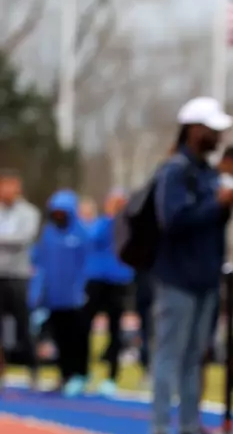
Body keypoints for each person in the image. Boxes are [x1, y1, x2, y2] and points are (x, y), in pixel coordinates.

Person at [150, 98, 233, 434]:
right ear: (195, 130)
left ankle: (189, 428)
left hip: (205, 275)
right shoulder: (175, 171)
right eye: (213, 130)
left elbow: (212, 223)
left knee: (195, 356)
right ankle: (161, 431)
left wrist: (224, 207)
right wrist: (215, 204)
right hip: (177, 276)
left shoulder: (208, 172)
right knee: (169, 354)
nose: (219, 136)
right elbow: (172, 219)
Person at [32, 189, 91, 394]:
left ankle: (80, 374)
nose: (58, 216)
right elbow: (40, 262)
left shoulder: (81, 234)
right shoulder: (48, 234)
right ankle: (64, 374)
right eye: (55, 213)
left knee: (78, 337)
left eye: (62, 213)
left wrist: (83, 288)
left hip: (76, 297)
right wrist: (38, 292)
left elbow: (87, 263)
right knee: (60, 337)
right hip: (55, 297)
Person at [81, 189, 134, 396]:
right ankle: (82, 372)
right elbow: (93, 238)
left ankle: (111, 376)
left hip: (118, 281)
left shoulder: (128, 225)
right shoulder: (100, 224)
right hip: (95, 280)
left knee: (115, 329)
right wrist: (110, 216)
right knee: (84, 326)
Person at [0, 169, 41, 387]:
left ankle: (32, 367)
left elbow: (23, 239)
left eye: (10, 185)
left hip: (18, 275)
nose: (6, 190)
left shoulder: (29, 212)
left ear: (18, 188)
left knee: (23, 323)